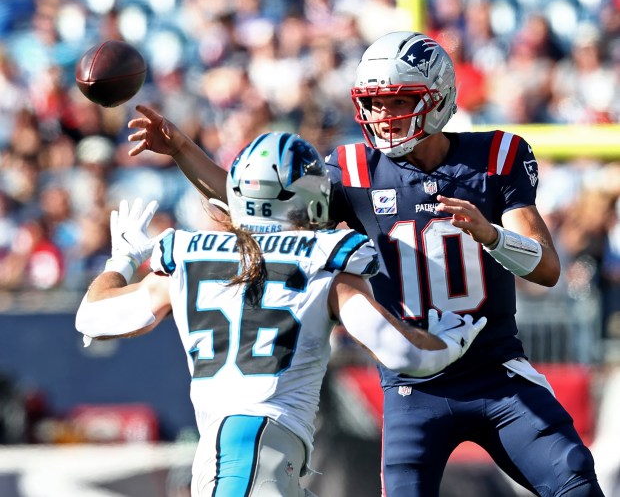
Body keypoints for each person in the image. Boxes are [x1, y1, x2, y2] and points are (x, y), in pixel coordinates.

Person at [124, 33, 604, 496]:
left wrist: (493, 235)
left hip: (497, 372)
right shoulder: (353, 170)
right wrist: (184, 152)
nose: (383, 115)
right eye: (374, 103)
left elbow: (546, 267)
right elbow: (256, 199)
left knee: (575, 481)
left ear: (437, 98)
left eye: (398, 101)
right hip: (413, 390)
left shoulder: (497, 156)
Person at [75, 132, 486, 497]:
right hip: (254, 454)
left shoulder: (188, 259)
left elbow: (93, 317)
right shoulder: (324, 259)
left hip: (237, 456)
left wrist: (123, 260)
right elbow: (405, 354)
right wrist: (451, 340)